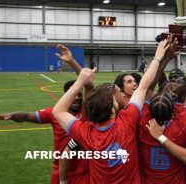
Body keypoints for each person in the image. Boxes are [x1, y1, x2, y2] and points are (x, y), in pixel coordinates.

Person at [52, 39, 169, 184]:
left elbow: (58, 111)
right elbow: (144, 86)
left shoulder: (86, 132)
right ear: (113, 107)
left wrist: (80, 81)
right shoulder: (126, 121)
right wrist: (157, 57)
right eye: (117, 93)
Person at [0, 80, 89, 184]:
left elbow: (90, 87)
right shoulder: (54, 113)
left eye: (80, 95)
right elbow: (26, 116)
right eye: (73, 95)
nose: (77, 98)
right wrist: (9, 116)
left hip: (82, 171)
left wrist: (74, 65)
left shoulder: (88, 112)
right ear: (66, 96)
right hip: (59, 171)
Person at [138, 50, 186, 184]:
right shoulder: (181, 126)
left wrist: (165, 58)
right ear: (175, 109)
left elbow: (148, 88)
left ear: (149, 109)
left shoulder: (142, 122)